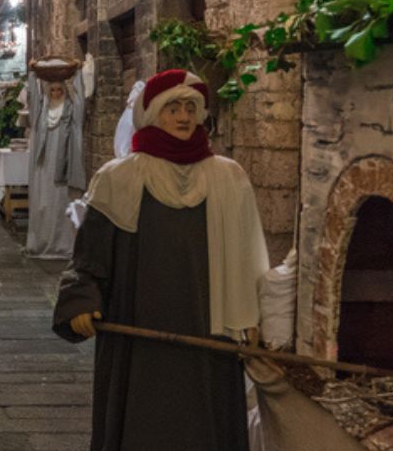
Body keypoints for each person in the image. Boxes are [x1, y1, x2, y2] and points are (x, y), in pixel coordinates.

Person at [52, 69, 269, 450]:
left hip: (209, 331)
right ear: (152, 114)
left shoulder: (229, 178)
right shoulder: (119, 179)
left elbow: (249, 254)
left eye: (190, 107)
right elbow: (90, 256)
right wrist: (81, 300)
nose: (184, 117)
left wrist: (253, 316)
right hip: (138, 332)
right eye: (173, 108)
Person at [25, 68, 86, 259]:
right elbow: (33, 96)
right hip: (44, 165)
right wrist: (33, 73)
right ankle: (42, 240)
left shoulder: (70, 109)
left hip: (63, 163)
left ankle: (62, 243)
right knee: (43, 202)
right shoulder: (41, 112)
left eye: (59, 90)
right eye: (53, 91)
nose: (56, 94)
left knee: (61, 202)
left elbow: (80, 100)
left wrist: (77, 74)